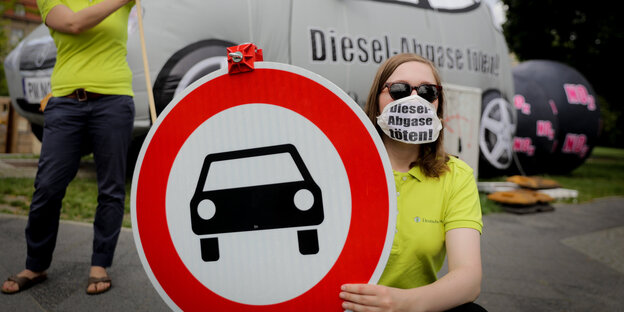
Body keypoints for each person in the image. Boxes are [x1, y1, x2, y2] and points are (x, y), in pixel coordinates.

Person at [1, 0, 135, 295]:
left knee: (111, 187)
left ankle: (100, 264)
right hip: (64, 102)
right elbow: (74, 24)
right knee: (47, 186)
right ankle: (36, 265)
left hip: (114, 100)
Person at [339, 53, 485, 311]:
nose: (414, 99)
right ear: (377, 100)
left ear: (438, 105)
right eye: (399, 89)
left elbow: (469, 279)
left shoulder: (456, 176)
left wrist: (403, 303)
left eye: (427, 92)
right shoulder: (339, 165)